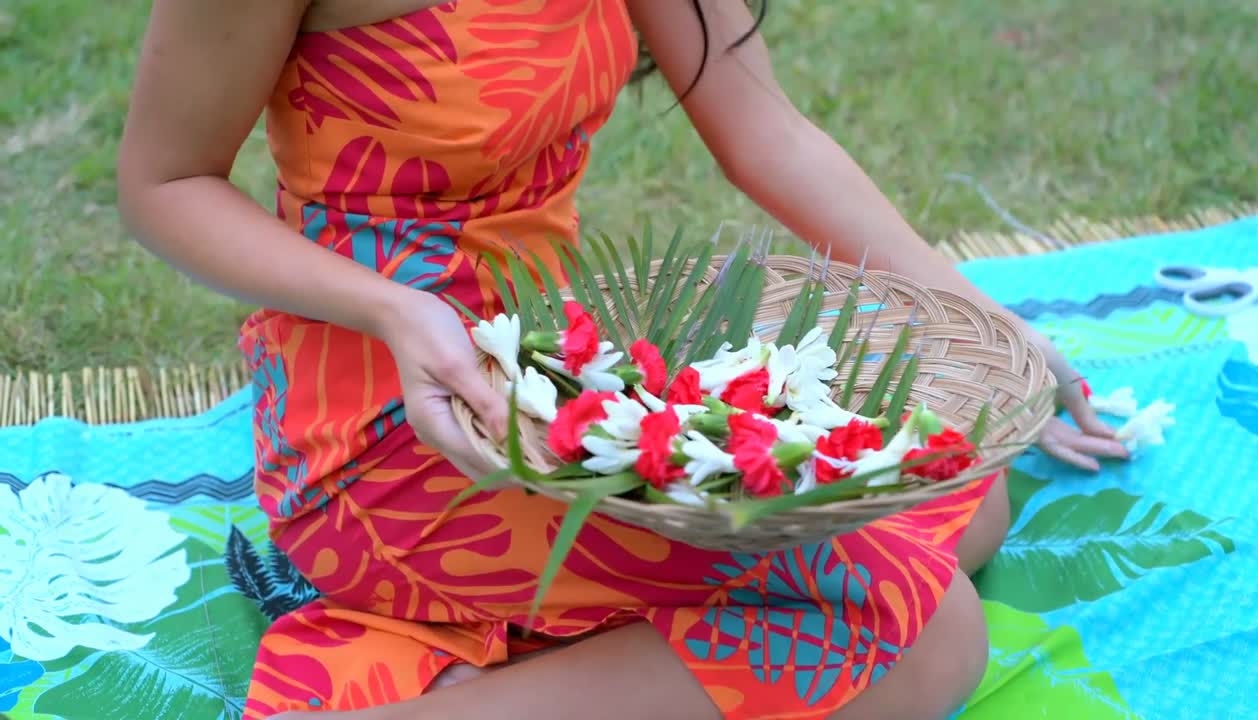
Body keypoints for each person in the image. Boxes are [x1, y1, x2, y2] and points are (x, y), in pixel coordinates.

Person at [117, 1, 1130, 718]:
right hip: (387, 422)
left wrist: (984, 323)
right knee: (927, 632)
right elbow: (164, 182)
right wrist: (391, 309)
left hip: (563, 374)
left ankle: (548, 672)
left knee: (959, 485)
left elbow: (764, 128)